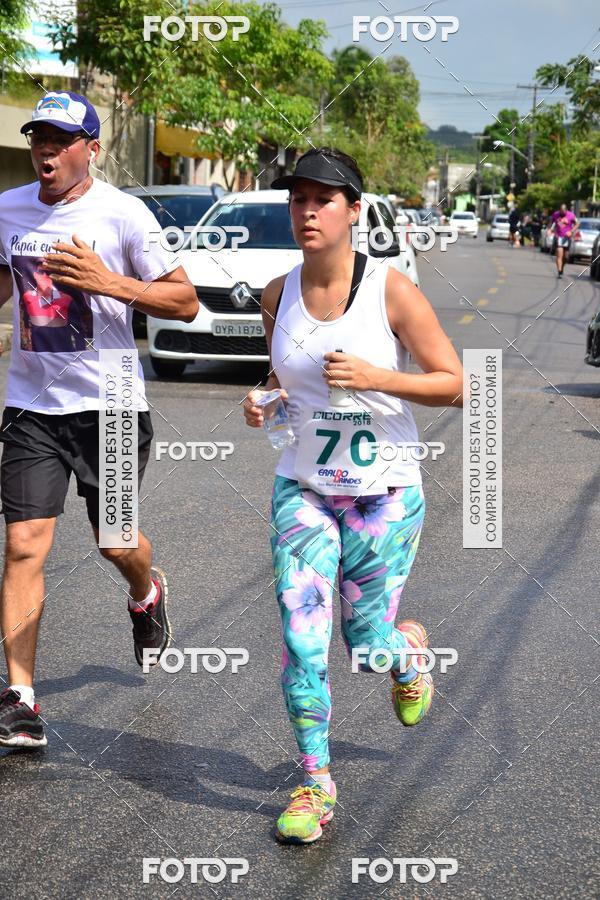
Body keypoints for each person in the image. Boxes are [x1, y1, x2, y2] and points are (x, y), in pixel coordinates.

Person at [243, 147, 463, 844]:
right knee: (302, 642)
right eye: (298, 199)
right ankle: (316, 784)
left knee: (365, 647)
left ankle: (406, 653)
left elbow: (456, 383)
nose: (308, 211)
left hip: (384, 494)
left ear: (354, 211)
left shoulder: (390, 291)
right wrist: (266, 404)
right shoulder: (275, 294)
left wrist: (377, 375)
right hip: (303, 488)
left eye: (324, 199)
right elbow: (290, 385)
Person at [0, 91, 198, 748]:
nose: (46, 151)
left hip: (111, 404)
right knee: (25, 544)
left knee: (115, 541)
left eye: (60, 139)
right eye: (38, 139)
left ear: (91, 148)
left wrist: (108, 281)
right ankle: (22, 700)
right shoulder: (9, 209)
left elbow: (186, 301)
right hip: (32, 408)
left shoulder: (124, 215)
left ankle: (147, 594)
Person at [550, 202, 577, 278]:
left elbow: (577, 223)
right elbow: (551, 223)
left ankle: (562, 267)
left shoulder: (571, 215)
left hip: (567, 238)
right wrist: (550, 230)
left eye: (563, 211)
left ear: (566, 210)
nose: (562, 213)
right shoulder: (556, 214)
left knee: (565, 257)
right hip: (558, 237)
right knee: (559, 254)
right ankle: (559, 271)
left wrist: (571, 231)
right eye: (561, 211)